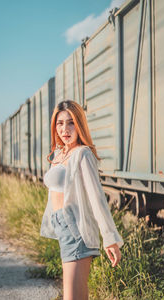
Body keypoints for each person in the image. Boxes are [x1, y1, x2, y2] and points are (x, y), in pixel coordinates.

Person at [40, 100, 123, 300]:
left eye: (71, 123)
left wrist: (110, 239)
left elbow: (97, 200)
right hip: (63, 229)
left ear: (79, 124)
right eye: (60, 123)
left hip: (76, 231)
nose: (64, 129)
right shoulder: (60, 154)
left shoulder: (82, 154)